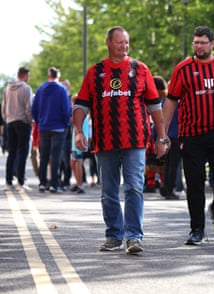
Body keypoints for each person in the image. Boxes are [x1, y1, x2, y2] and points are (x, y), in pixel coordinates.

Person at [72, 26, 168, 254]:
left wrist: (162, 137)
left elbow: (155, 106)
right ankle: (114, 235)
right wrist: (78, 131)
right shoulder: (95, 72)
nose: (124, 46)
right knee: (108, 191)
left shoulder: (141, 69)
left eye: (127, 42)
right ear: (108, 43)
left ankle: (134, 236)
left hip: (135, 140)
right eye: (119, 43)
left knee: (134, 187)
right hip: (105, 142)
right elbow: (80, 105)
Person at [163, 25, 214, 245]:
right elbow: (171, 100)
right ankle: (196, 228)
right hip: (192, 134)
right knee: (195, 183)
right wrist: (162, 133)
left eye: (202, 42)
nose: (198, 46)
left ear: (212, 43)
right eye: (195, 42)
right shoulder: (183, 69)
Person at [31, 67, 72, 193]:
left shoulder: (41, 89)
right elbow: (66, 109)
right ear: (58, 76)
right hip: (58, 127)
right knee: (55, 157)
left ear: (48, 75)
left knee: (44, 156)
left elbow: (34, 109)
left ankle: (42, 183)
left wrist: (40, 121)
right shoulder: (61, 89)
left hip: (44, 126)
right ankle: (54, 184)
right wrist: (66, 124)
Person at [1, 67, 33, 191]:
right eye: (28, 76)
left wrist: (7, 118)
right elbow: (28, 107)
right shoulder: (26, 88)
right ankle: (21, 182)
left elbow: (3, 107)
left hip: (10, 122)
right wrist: (30, 121)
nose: (29, 78)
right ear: (24, 76)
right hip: (23, 122)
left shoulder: (7, 89)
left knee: (12, 152)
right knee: (22, 152)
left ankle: (8, 182)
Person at [70, 95, 89, 194]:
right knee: (73, 162)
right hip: (76, 141)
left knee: (78, 162)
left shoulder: (79, 113)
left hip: (79, 142)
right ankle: (78, 183)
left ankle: (80, 185)